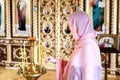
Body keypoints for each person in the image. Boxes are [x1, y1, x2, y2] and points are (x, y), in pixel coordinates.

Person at [47, 11, 102, 80]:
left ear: (80, 26)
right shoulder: (83, 43)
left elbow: (89, 76)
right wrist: (56, 61)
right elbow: (74, 68)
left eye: (72, 26)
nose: (71, 30)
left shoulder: (88, 47)